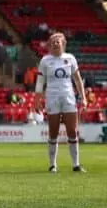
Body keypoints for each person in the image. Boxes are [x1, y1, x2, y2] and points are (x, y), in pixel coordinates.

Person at [35, 32, 86, 173]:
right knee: (53, 132)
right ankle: (52, 165)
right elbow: (40, 82)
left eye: (58, 41)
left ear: (63, 43)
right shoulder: (45, 60)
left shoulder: (70, 58)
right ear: (50, 44)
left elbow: (77, 80)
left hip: (68, 97)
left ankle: (76, 164)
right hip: (52, 97)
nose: (56, 43)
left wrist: (84, 97)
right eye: (53, 41)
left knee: (72, 131)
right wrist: (37, 100)